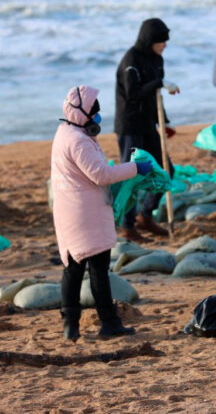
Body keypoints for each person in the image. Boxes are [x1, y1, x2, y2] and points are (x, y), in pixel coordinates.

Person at [52, 85, 150, 341]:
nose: (97, 117)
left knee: (73, 267)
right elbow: (101, 174)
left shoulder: (66, 133)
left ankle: (70, 326)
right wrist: (135, 168)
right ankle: (109, 322)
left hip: (73, 210)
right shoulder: (78, 141)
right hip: (86, 213)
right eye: (95, 112)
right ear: (83, 113)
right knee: (97, 268)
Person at [115, 17, 179, 242]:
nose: (165, 45)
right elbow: (133, 94)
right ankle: (127, 225)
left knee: (166, 170)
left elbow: (154, 96)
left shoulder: (156, 59)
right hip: (130, 125)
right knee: (131, 175)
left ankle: (146, 215)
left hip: (148, 124)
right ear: (149, 40)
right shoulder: (131, 60)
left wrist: (166, 122)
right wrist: (159, 83)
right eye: (161, 41)